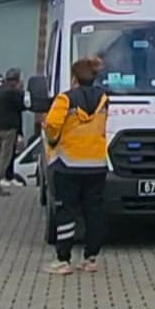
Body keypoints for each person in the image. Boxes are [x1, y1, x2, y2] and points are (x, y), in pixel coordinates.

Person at [43, 57, 109, 275]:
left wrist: (53, 140)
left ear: (74, 77)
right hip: (96, 164)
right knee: (94, 212)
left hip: (68, 164)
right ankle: (91, 258)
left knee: (66, 212)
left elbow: (52, 124)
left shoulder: (65, 99)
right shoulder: (103, 99)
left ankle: (63, 260)